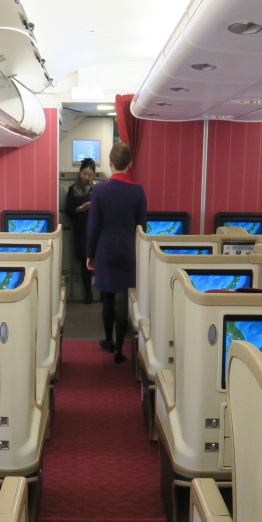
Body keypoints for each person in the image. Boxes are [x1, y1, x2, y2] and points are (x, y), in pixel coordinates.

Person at [86, 143, 147, 363]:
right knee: (123, 299)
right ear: (130, 163)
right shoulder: (137, 191)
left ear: (110, 163)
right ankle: (120, 349)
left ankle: (108, 339)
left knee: (107, 298)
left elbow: (93, 225)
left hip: (106, 250)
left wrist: (90, 254)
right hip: (129, 250)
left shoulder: (99, 189)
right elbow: (142, 227)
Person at [64, 157, 97, 303]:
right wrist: (81, 208)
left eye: (90, 175)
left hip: (96, 229)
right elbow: (68, 210)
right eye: (84, 174)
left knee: (98, 262)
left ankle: (101, 294)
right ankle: (88, 295)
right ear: (80, 172)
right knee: (85, 263)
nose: (87, 177)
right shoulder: (73, 189)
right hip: (81, 230)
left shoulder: (97, 188)